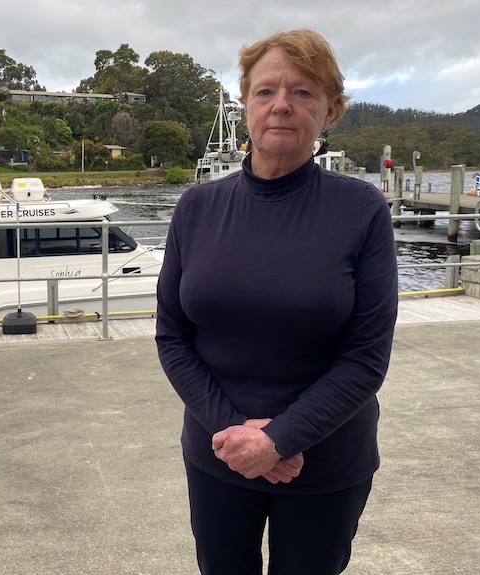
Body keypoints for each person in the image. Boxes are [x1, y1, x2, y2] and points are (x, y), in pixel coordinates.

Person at [155, 29, 398, 575]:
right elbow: (172, 335)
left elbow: (366, 357)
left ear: (331, 110)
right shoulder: (196, 207)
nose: (282, 105)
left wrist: (281, 439)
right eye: (266, 91)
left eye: (304, 93)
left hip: (327, 461)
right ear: (245, 103)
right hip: (218, 453)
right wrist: (239, 436)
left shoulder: (361, 210)